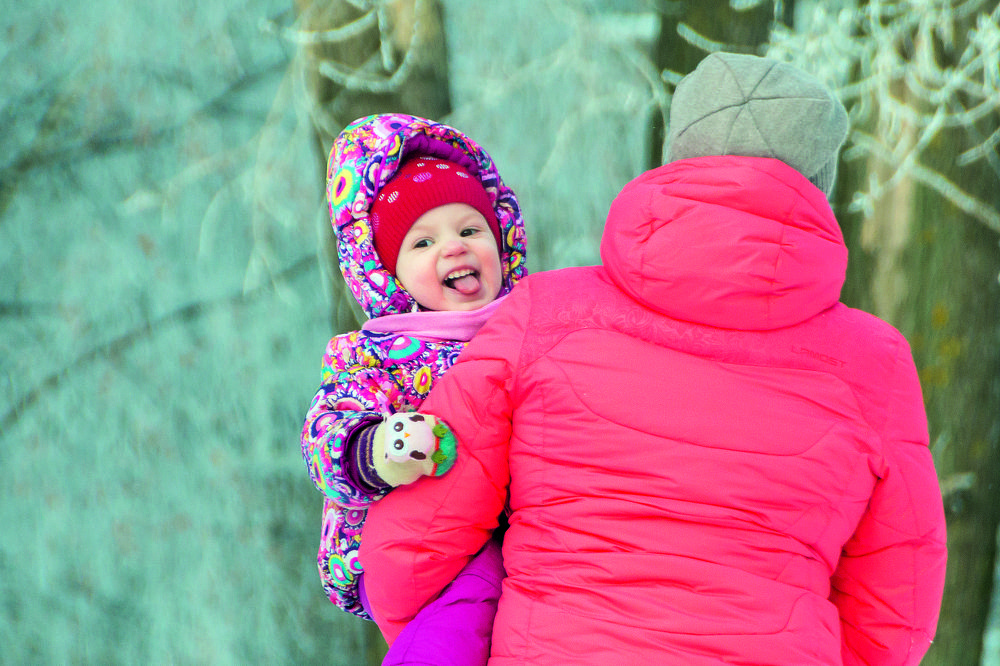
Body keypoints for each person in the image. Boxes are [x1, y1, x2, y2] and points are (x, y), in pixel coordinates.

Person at [358, 53, 948, 665]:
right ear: (819, 183)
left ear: (678, 156)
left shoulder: (544, 314)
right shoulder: (875, 364)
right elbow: (898, 600)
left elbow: (413, 544)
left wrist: (449, 635)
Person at [300, 113, 527, 664]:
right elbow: (324, 436)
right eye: (423, 242)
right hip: (422, 549)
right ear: (389, 273)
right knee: (458, 629)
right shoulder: (376, 354)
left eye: (470, 230)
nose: (453, 248)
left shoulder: (531, 328)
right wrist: (379, 450)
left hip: (511, 531)